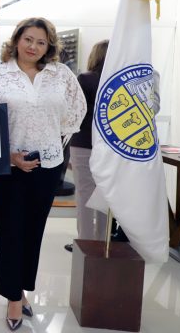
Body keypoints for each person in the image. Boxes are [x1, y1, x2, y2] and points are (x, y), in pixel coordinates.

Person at [0, 17, 85, 331]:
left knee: (32, 231)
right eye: (28, 39)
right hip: (8, 166)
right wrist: (9, 153)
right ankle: (13, 298)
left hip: (47, 167)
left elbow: (77, 110)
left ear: (49, 46)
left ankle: (22, 288)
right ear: (16, 40)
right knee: (9, 230)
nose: (33, 46)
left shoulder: (60, 74)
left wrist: (53, 140)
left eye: (40, 42)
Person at [65, 40, 109, 252]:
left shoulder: (85, 79)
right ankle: (102, 241)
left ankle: (85, 241)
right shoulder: (116, 82)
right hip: (109, 146)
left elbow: (75, 111)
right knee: (105, 194)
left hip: (83, 142)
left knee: (84, 193)